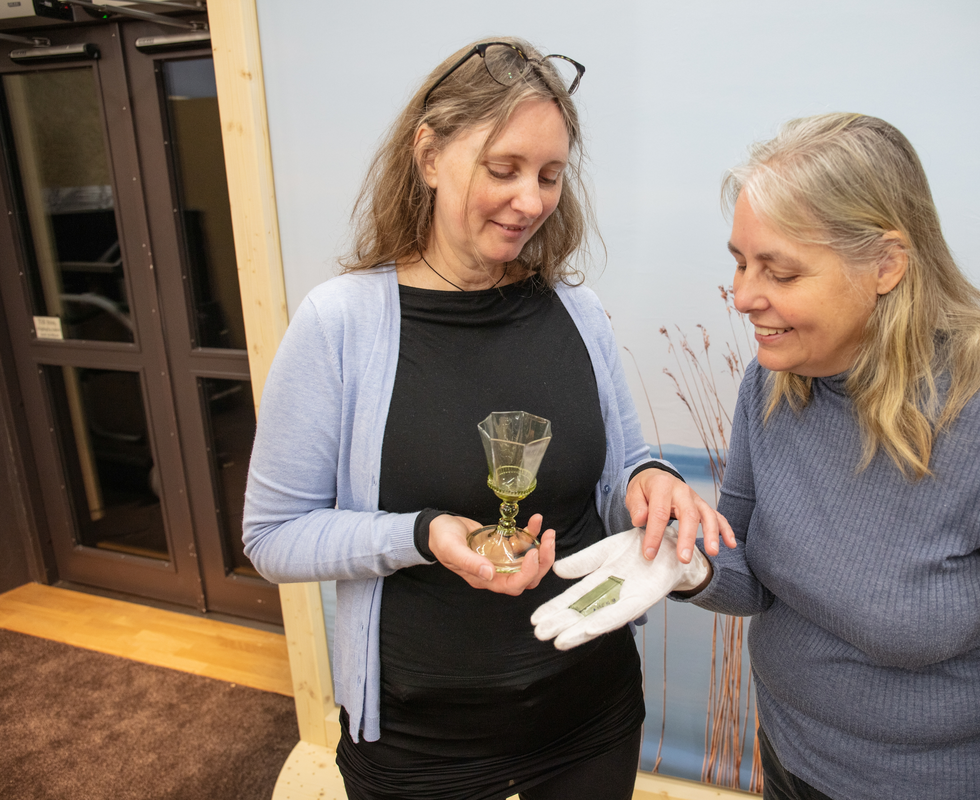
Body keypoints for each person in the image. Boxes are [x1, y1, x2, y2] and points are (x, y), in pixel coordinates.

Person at [535, 113, 980, 799]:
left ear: (886, 266)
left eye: (780, 272)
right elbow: (752, 573)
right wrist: (685, 564)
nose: (743, 296)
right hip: (787, 763)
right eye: (740, 262)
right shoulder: (772, 384)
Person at [242, 37, 731, 800]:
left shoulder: (579, 313)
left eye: (549, 176)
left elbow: (625, 473)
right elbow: (272, 537)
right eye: (504, 170)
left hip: (592, 717)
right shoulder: (340, 325)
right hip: (421, 748)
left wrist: (655, 481)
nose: (531, 201)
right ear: (429, 155)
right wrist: (422, 535)